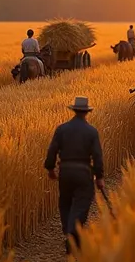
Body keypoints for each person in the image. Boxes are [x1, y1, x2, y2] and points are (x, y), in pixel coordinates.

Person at [44, 97, 105, 254]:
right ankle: (73, 232)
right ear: (86, 112)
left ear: (74, 110)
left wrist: (50, 169)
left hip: (65, 172)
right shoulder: (91, 131)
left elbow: (52, 151)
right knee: (81, 204)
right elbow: (97, 156)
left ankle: (70, 234)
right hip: (83, 172)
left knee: (65, 203)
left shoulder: (62, 129)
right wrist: (99, 177)